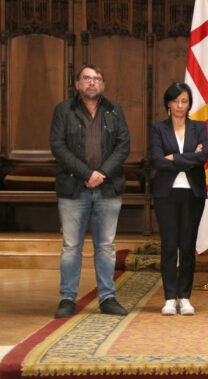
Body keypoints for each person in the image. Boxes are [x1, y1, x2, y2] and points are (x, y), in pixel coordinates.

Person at [50, 64, 130, 318]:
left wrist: (101, 173)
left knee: (105, 246)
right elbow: (58, 146)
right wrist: (87, 174)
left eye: (97, 78)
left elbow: (123, 145)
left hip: (108, 188)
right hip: (73, 188)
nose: (92, 82)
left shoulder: (115, 110)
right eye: (86, 78)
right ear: (77, 84)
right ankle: (67, 299)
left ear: (103, 85)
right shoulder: (63, 110)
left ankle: (107, 298)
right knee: (71, 246)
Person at [151, 83, 208, 316]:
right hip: (166, 193)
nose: (179, 106)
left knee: (187, 246)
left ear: (189, 104)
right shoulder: (159, 128)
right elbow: (157, 160)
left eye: (184, 101)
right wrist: (188, 157)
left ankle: (184, 297)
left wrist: (173, 157)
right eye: (175, 101)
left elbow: (202, 157)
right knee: (169, 246)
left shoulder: (199, 127)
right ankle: (169, 298)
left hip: (193, 193)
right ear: (168, 103)